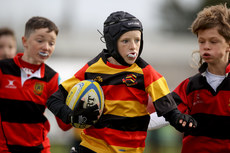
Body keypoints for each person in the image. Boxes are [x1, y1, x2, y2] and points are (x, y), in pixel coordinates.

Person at [47, 11, 197, 153]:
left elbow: (168, 108)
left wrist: (178, 119)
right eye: (126, 40)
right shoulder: (92, 69)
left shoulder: (146, 73)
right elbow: (54, 99)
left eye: (137, 40)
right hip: (93, 147)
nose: (133, 46)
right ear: (112, 43)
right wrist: (70, 116)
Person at [0, 16, 72, 153]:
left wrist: (78, 113)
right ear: (24, 41)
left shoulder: (52, 78)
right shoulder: (3, 69)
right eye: (40, 41)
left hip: (39, 149)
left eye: (51, 43)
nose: (46, 47)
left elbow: (63, 124)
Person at [169, 3, 230, 153]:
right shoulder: (189, 86)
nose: (206, 46)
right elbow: (164, 114)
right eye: (201, 41)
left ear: (228, 44)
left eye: (213, 41)